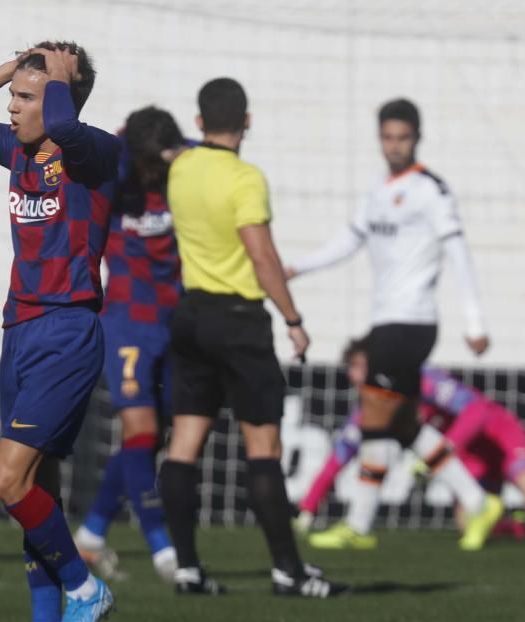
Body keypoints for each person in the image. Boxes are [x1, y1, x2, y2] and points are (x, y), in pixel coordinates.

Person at [0, 42, 117, 621]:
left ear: (62, 98)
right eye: (13, 96)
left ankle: (86, 589)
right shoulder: (17, 150)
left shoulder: (95, 153)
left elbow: (66, 122)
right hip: (21, 329)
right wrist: (12, 68)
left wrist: (58, 77)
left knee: (7, 479)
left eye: (26, 98)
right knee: (38, 489)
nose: (12, 107)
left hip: (68, 330)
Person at [287, 98, 502, 551]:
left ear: (416, 139)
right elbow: (350, 240)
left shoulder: (431, 190)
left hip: (410, 322)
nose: (394, 146)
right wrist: (298, 267)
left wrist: (475, 321)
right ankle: (476, 501)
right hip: (386, 320)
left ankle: (359, 525)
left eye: (402, 137)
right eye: (387, 137)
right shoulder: (379, 192)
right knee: (403, 424)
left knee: (373, 418)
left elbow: (458, 252)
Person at [158, 77, 345, 598]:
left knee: (184, 445)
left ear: (198, 122)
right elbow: (261, 255)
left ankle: (189, 569)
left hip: (191, 313)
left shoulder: (183, 167)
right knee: (263, 445)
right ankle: (288, 570)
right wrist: (292, 317)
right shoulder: (245, 179)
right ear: (248, 122)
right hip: (238, 319)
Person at [302, 337, 525, 546]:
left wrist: (446, 448)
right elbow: (339, 456)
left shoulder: (420, 379)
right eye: (351, 368)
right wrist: (307, 509)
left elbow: (476, 412)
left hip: (498, 437)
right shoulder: (371, 409)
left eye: (360, 365)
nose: (354, 375)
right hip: (469, 459)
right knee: (467, 524)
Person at [73, 106, 188, 582]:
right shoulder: (116, 168)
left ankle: (91, 538)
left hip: (177, 320)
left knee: (153, 438)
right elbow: (102, 152)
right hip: (126, 321)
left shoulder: (183, 165)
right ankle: (165, 551)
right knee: (140, 434)